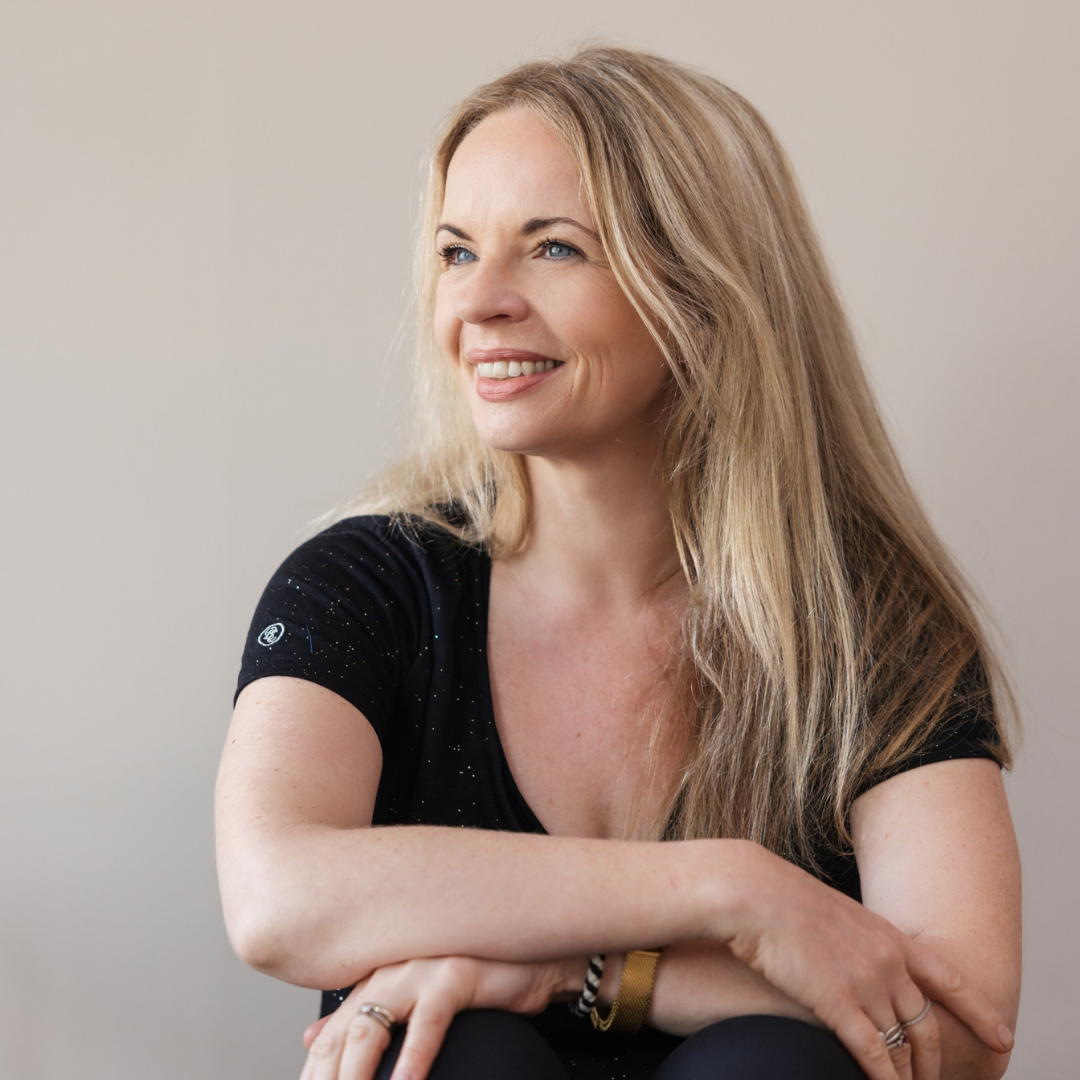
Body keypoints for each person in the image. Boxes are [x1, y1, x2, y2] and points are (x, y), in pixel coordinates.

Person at [215, 46, 1021, 1080]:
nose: (480, 303)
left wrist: (571, 972)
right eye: (459, 252)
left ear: (701, 289)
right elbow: (278, 901)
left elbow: (960, 1034)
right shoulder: (366, 585)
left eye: (552, 249)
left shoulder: (870, 623)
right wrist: (729, 890)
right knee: (463, 1051)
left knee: (772, 1063)